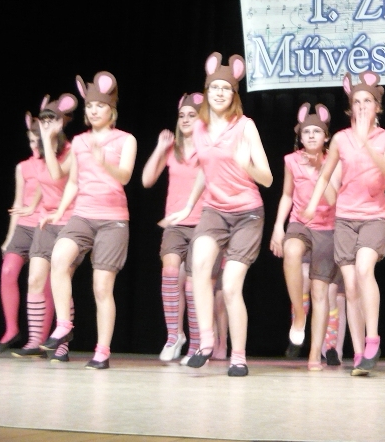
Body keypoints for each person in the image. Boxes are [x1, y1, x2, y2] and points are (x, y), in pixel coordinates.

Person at [164, 53, 272, 377]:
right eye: (215, 88)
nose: (220, 93)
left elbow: (267, 178)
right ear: (207, 92)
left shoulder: (245, 126)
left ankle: (238, 356)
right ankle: (206, 342)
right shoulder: (199, 128)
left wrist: (245, 164)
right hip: (214, 210)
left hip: (247, 213)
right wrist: (188, 206)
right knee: (197, 266)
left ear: (233, 94)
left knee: (231, 284)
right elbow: (204, 170)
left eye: (226, 88)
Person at [302, 72, 385, 376]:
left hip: (374, 216)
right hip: (345, 217)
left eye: (367, 101)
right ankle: (359, 354)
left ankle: (373, 339)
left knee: (365, 269)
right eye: (357, 102)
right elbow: (326, 174)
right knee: (351, 286)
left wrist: (365, 141)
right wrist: (311, 205)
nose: (361, 107)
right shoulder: (341, 139)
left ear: (377, 107)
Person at [39, 72, 137, 370]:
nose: (94, 111)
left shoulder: (126, 139)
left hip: (113, 219)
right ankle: (64, 325)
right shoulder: (80, 141)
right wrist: (48, 140)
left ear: (111, 110)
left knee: (101, 287)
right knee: (58, 258)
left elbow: (125, 176)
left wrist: (104, 160)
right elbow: (64, 178)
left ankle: (102, 351)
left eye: (100, 106)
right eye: (90, 106)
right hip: (82, 215)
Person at [269, 103, 341, 369]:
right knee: (291, 250)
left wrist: (321, 169)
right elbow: (287, 195)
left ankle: (313, 355)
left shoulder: (335, 160)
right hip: (299, 222)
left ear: (326, 137)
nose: (311, 136)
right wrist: (278, 226)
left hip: (327, 228)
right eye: (306, 132)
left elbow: (333, 199)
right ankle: (299, 315)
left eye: (316, 131)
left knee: (320, 292)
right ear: (300, 136)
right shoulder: (291, 160)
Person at [11, 94, 78, 361]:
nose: (46, 125)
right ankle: (35, 341)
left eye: (51, 120)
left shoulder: (71, 150)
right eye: (43, 121)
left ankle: (62, 345)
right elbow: (42, 182)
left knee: (61, 282)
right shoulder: (40, 153)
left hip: (69, 221)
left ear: (61, 123)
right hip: (45, 220)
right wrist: (32, 206)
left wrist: (49, 143)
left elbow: (56, 176)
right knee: (35, 279)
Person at [143, 93, 205, 362]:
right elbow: (146, 180)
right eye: (182, 116)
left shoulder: (208, 148)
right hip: (175, 223)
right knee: (169, 271)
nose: (186, 120)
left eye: (192, 115)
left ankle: (197, 344)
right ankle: (174, 335)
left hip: (203, 223)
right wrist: (160, 148)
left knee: (192, 285)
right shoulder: (172, 150)